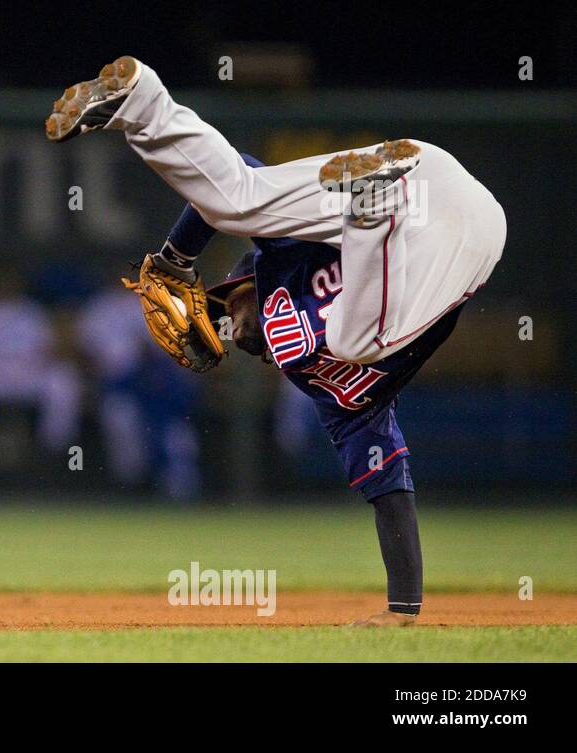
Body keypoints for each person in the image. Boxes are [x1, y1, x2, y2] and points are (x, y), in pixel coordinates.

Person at [47, 57, 505, 626]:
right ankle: (145, 104)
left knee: (251, 211)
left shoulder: (277, 256)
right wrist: (403, 610)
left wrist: (176, 256)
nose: (218, 322)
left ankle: (372, 204)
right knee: (249, 213)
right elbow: (390, 486)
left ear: (244, 285)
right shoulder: (332, 395)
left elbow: (233, 169)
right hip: (431, 234)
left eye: (222, 306)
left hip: (432, 197)